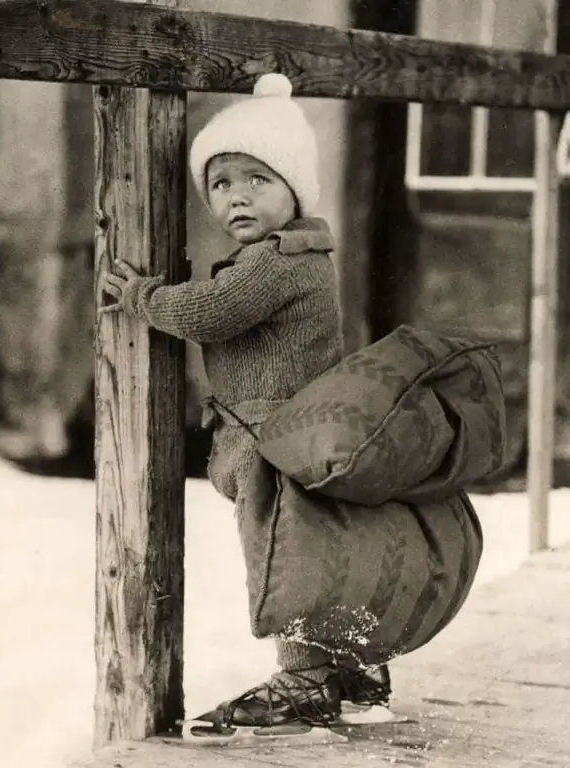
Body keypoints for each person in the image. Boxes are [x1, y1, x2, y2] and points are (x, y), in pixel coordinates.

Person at [100, 73, 391, 738]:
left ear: (294, 190)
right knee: (311, 551)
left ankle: (301, 681)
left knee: (283, 558)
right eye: (221, 182)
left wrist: (144, 297)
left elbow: (214, 311)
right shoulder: (279, 253)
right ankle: (344, 666)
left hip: (282, 443)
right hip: (284, 437)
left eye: (256, 179)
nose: (235, 196)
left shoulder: (281, 260)